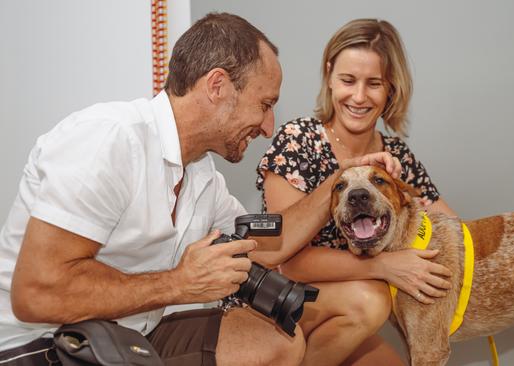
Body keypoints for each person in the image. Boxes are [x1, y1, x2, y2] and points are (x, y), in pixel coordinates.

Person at [0, 13, 403, 366]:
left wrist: (338, 181)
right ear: (218, 86)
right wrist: (179, 283)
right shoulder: (108, 140)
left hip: (137, 331)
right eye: (264, 104)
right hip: (45, 345)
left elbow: (270, 243)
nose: (268, 127)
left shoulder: (202, 175)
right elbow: (37, 293)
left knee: (278, 342)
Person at [256, 18, 514, 366]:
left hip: (351, 320)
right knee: (372, 300)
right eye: (347, 80)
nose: (358, 96)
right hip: (284, 303)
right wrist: (384, 266)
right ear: (329, 75)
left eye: (373, 83)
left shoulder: (398, 158)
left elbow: (461, 242)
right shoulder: (297, 141)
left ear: (391, 88)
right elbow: (286, 263)